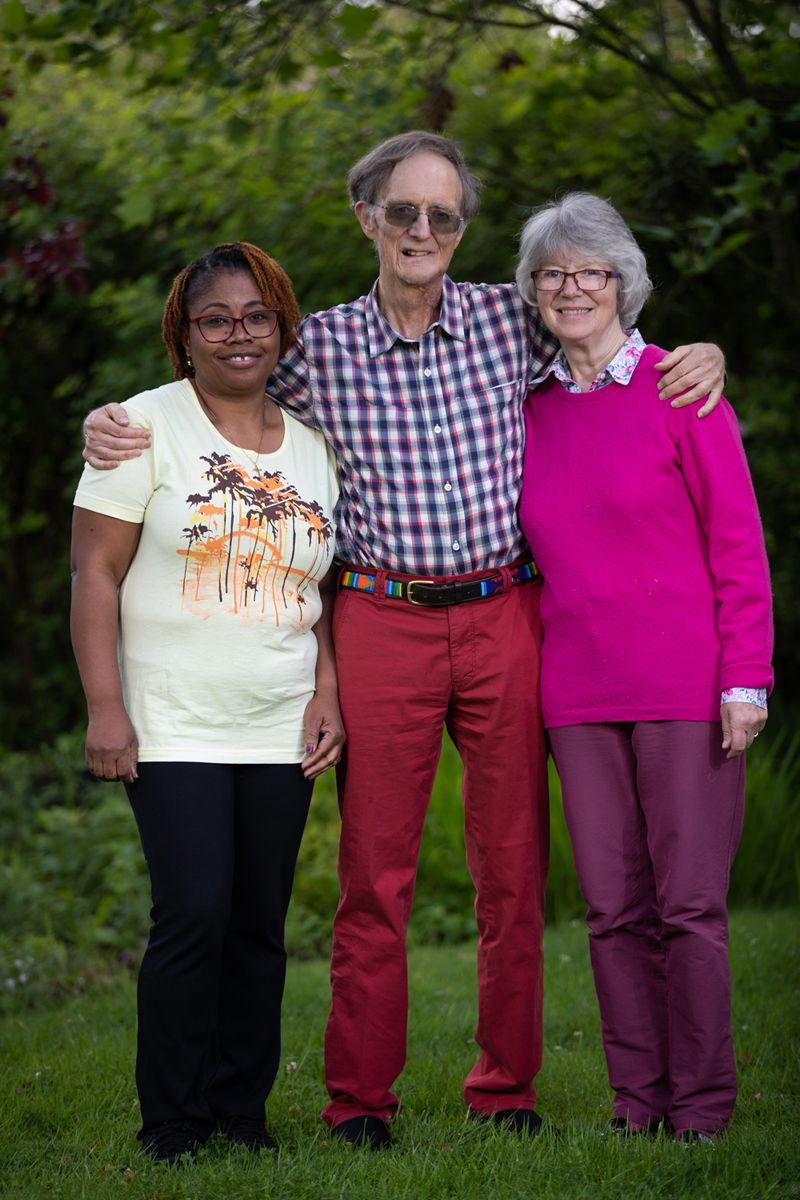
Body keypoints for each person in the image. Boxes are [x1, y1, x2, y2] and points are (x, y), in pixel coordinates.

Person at [81, 132, 726, 1149]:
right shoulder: (316, 349)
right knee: (373, 875)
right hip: (382, 618)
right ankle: (357, 1101)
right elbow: (217, 383)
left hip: (506, 614)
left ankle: (505, 1087)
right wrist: (113, 423)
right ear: (367, 219)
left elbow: (602, 333)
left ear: (461, 228)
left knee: (512, 872)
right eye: (402, 212)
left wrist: (697, 352)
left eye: (443, 215)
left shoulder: (510, 321)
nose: (422, 230)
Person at [70, 242, 343, 1164]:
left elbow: (320, 590)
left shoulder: (315, 447)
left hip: (279, 719)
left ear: (282, 328)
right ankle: (174, 1122)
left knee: (259, 923)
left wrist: (327, 693)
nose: (238, 334)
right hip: (172, 718)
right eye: (215, 319)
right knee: (193, 909)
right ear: (183, 335)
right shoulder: (142, 427)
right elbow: (94, 574)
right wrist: (105, 707)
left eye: (256, 316)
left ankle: (242, 1111)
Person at [516, 192, 773, 1144]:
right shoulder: (528, 409)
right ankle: (639, 1101)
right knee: (612, 910)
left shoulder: (682, 389)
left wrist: (745, 679)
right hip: (576, 693)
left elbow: (738, 544)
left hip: (684, 687)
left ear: (623, 282)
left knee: (689, 907)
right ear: (534, 291)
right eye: (552, 274)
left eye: (590, 271)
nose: (572, 288)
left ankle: (701, 1107)